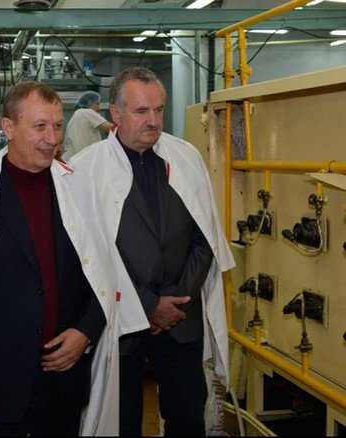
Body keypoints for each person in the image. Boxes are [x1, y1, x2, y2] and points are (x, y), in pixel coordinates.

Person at [0, 81, 113, 436]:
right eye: (40, 126)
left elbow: (103, 274)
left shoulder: (80, 189)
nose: (52, 138)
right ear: (8, 127)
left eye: (57, 126)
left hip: (65, 380)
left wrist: (86, 331)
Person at [67, 67, 235, 436]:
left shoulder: (185, 157)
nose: (154, 121)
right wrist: (147, 305)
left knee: (188, 417)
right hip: (119, 323)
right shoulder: (85, 170)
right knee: (121, 419)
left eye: (159, 110)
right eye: (141, 111)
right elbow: (88, 256)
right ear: (115, 113)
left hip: (180, 317)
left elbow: (205, 236)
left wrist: (177, 300)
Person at [62, 91, 113, 161]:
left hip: (71, 159)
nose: (99, 108)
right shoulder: (86, 112)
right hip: (79, 160)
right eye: (97, 104)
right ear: (89, 103)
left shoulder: (77, 115)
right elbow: (110, 128)